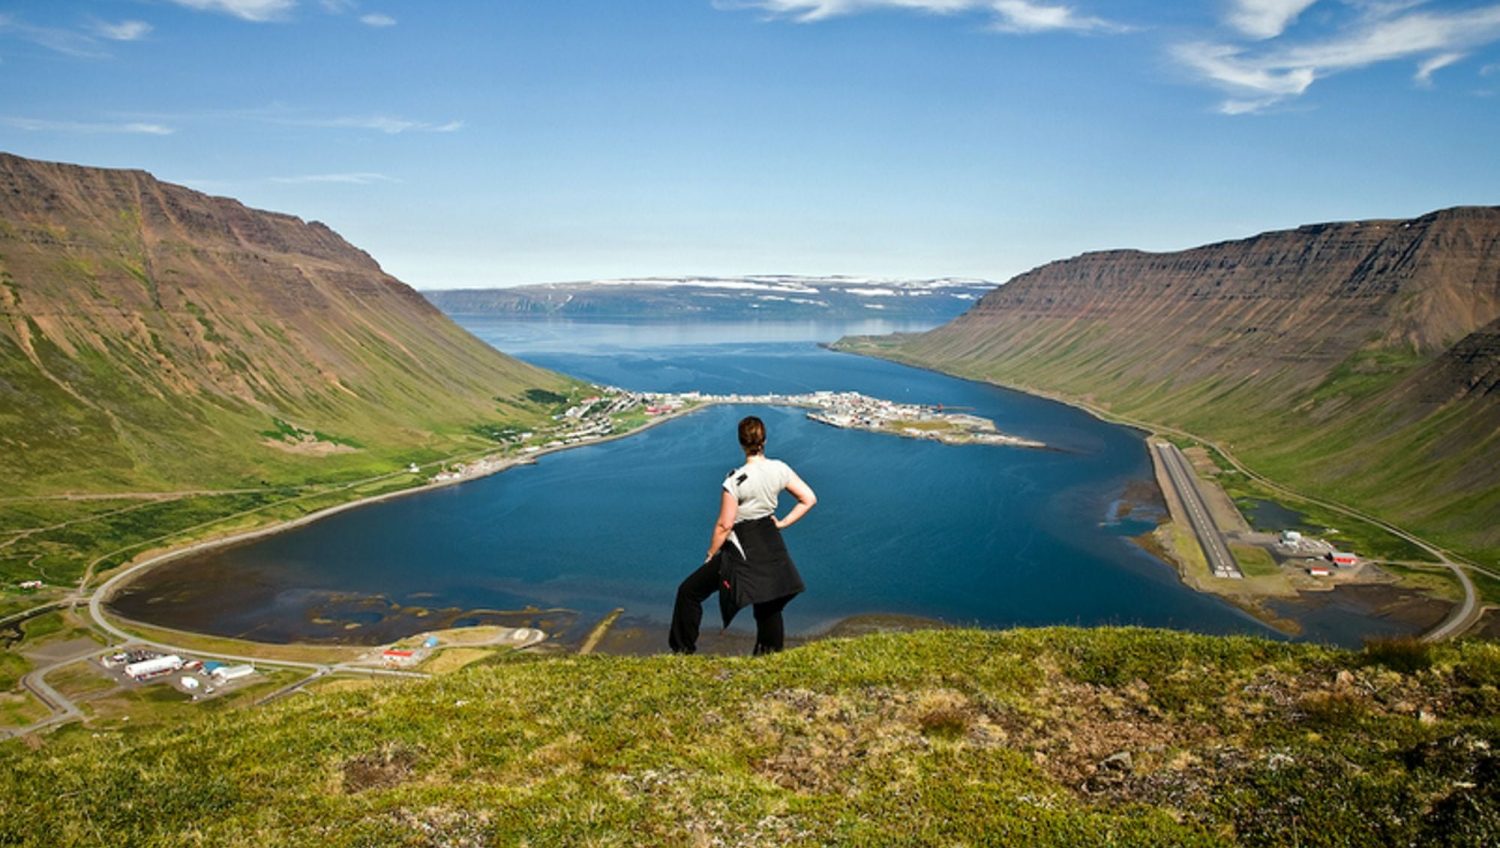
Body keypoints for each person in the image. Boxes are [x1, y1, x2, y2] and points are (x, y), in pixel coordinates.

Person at [669, 415, 816, 655]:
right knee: (769, 603)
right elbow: (809, 499)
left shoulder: (735, 480)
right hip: (769, 539)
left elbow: (725, 525)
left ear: (741, 443)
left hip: (741, 544)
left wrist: (711, 553)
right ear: (764, 440)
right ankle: (770, 656)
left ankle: (682, 650)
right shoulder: (780, 468)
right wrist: (782, 523)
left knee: (689, 591)